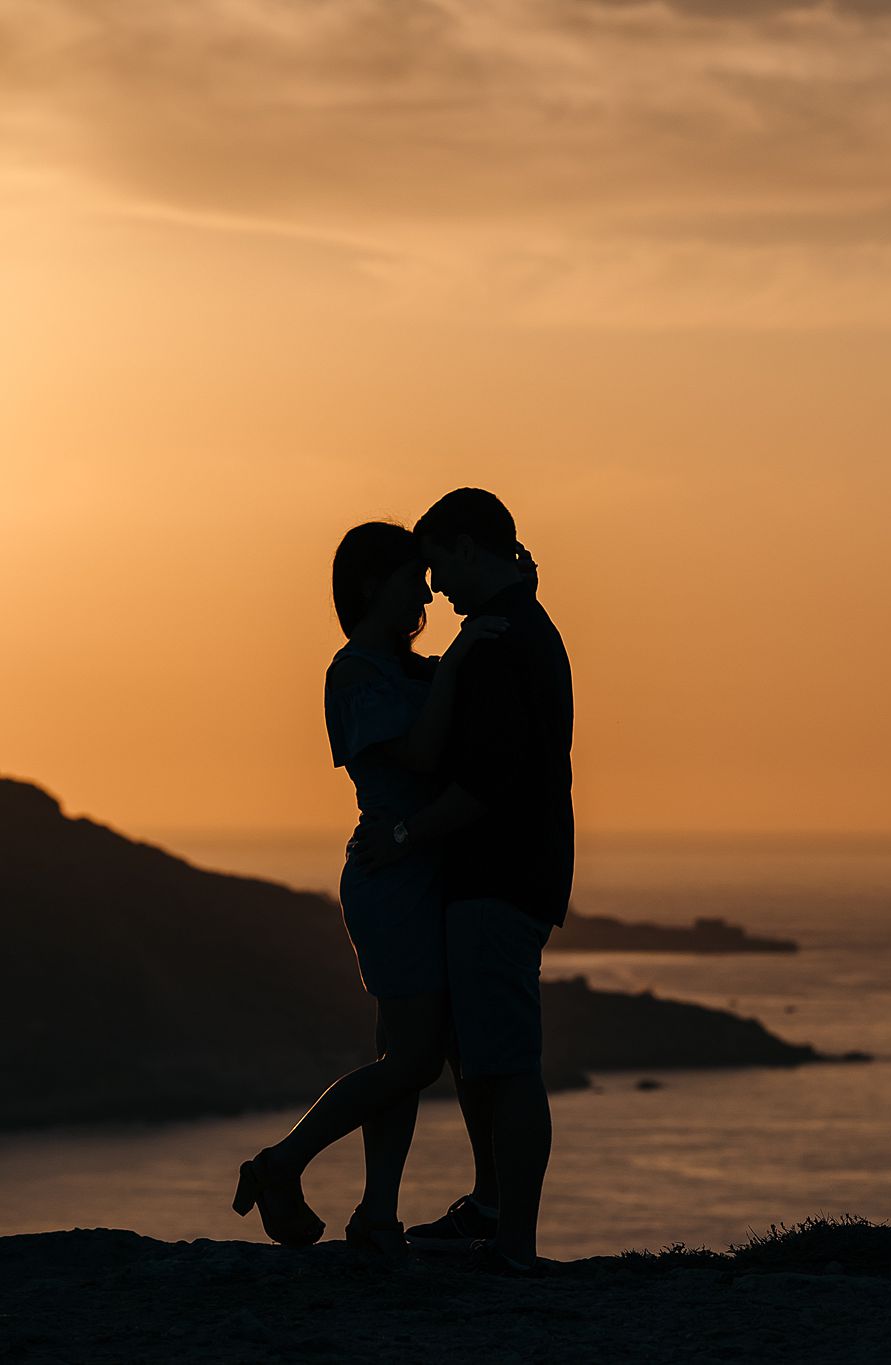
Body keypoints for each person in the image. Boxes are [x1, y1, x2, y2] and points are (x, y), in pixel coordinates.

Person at [233, 522, 506, 1261]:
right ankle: (281, 1163)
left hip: (420, 870)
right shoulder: (358, 672)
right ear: (368, 586)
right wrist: (460, 666)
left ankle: (377, 1215)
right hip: (392, 876)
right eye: (410, 577)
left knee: (403, 1052)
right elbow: (416, 754)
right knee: (414, 1059)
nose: (424, 591)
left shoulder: (408, 669)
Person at [350, 489, 574, 1276]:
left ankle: (513, 1243)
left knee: (505, 1063)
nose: (434, 585)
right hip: (493, 875)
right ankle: (491, 1210)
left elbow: (487, 782)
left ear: (471, 550)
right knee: (477, 1054)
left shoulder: (501, 642)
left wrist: (405, 833)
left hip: (500, 875)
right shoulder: (502, 630)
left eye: (440, 562)